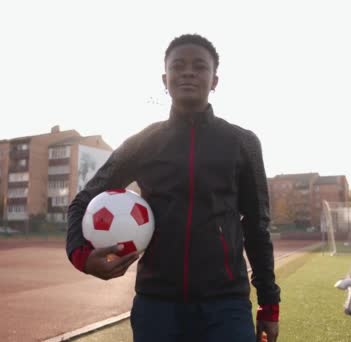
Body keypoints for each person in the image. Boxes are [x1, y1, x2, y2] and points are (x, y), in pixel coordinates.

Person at [66, 33, 280, 342]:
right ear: (165, 79)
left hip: (226, 304)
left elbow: (257, 227)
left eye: (199, 66)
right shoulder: (142, 143)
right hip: (157, 306)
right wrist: (82, 257)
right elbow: (83, 201)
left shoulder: (243, 142)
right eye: (178, 66)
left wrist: (269, 304)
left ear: (215, 80)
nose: (188, 72)